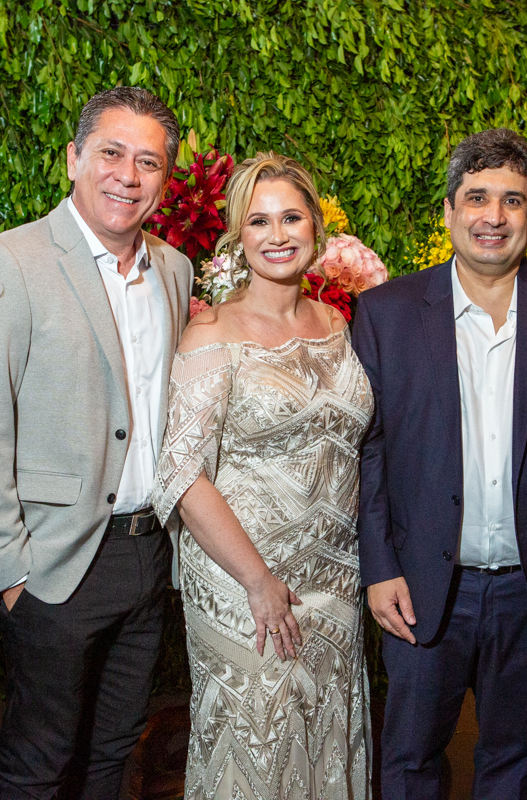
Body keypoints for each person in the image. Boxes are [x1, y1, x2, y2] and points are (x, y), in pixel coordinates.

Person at [353, 127, 527, 799]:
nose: (493, 216)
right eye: (476, 198)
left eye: (512, 200)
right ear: (449, 211)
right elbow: (368, 447)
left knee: (513, 759)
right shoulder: (385, 313)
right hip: (420, 585)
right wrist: (379, 567)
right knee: (410, 760)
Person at [0, 86, 192, 799]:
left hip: (149, 555)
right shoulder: (5, 264)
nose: (128, 176)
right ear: (73, 158)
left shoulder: (174, 271)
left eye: (149, 161)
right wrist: (9, 575)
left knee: (114, 751)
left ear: (165, 179)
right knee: (40, 761)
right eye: (111, 153)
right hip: (54, 563)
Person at [152, 152, 372, 800]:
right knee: (257, 747)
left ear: (316, 228)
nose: (277, 235)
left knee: (325, 740)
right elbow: (182, 475)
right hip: (245, 586)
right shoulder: (210, 334)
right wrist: (257, 581)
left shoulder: (337, 324)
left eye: (291, 218)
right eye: (259, 221)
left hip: (336, 580)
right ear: (237, 236)